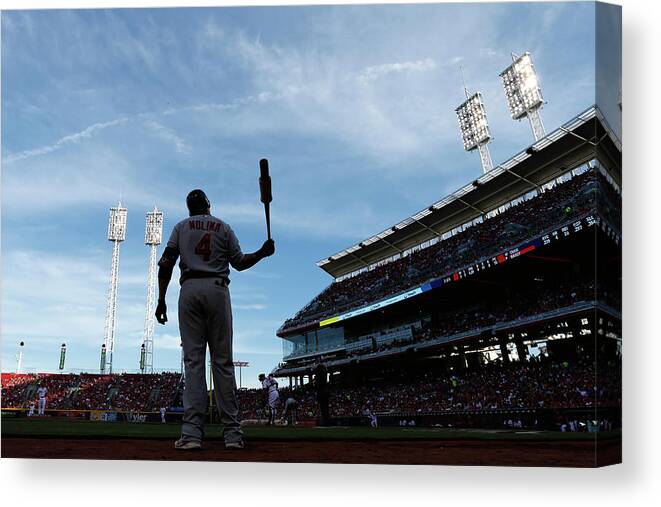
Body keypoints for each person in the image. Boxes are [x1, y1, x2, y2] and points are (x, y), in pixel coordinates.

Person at [155, 189, 275, 450]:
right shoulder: (223, 227)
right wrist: (262, 253)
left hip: (190, 291)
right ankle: (232, 434)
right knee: (223, 363)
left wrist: (161, 299)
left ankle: (191, 436)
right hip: (218, 290)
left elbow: (165, 264)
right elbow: (240, 263)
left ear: (189, 208)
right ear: (209, 205)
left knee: (194, 363)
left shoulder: (181, 227)